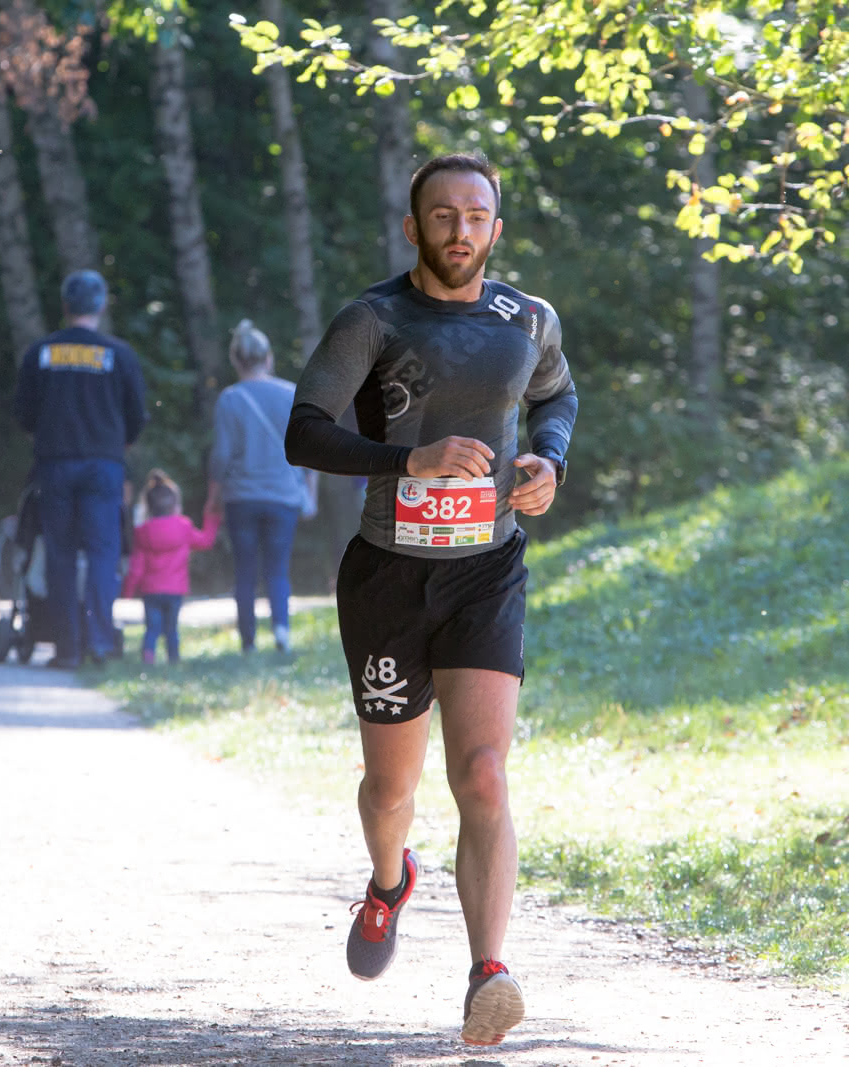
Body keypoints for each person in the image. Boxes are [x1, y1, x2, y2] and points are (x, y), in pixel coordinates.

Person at [284, 152, 577, 1046]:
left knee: (482, 772)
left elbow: (557, 395)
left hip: (486, 568)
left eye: (476, 216)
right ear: (414, 227)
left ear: (496, 227)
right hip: (388, 576)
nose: (460, 230)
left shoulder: (527, 318)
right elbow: (305, 432)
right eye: (443, 215)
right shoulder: (372, 320)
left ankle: (489, 971)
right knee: (390, 789)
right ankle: (390, 880)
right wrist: (407, 459)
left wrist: (549, 459)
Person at [14, 269, 147, 669]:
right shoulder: (119, 355)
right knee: (104, 555)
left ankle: (67, 649)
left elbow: (23, 414)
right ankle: (100, 645)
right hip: (104, 466)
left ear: (65, 306)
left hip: (54, 465)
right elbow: (136, 417)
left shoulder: (41, 353)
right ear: (102, 305)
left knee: (60, 555)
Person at [208, 319, 316, 656]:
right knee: (277, 568)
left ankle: (249, 641)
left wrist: (213, 496)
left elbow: (221, 455)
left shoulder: (230, 399)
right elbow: (310, 448)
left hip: (241, 497)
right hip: (283, 495)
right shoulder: (292, 394)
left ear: (236, 360)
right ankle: (281, 630)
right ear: (268, 358)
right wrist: (310, 493)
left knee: (245, 570)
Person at [121, 471, 220, 665]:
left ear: (149, 507)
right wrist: (212, 517)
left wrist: (128, 591)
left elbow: (137, 568)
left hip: (151, 591)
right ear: (175, 505)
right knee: (171, 629)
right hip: (175, 590)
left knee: (152, 628)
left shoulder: (143, 532)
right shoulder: (183, 527)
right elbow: (206, 541)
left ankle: (148, 658)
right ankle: (173, 660)